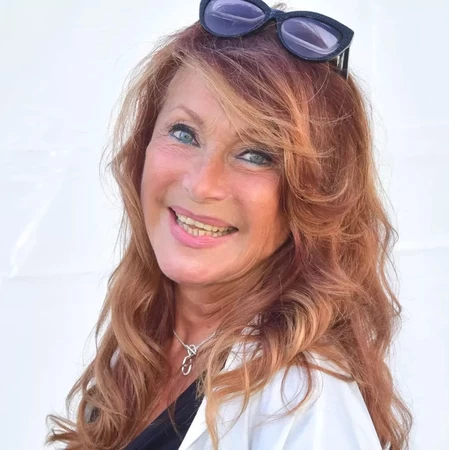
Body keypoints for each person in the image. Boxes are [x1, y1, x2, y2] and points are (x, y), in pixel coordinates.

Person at [45, 1, 413, 449]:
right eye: (184, 133)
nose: (202, 185)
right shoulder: (144, 343)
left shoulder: (305, 403)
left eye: (256, 155)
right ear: (142, 145)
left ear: (314, 197)